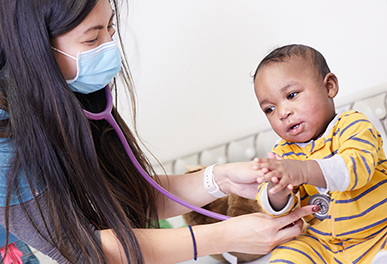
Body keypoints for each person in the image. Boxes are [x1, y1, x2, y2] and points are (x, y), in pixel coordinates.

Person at [0, 1, 319, 263]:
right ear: (36, 50)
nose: (110, 47)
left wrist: (219, 179)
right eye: (91, 39)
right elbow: (88, 248)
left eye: (110, 28)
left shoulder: (71, 95)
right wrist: (226, 235)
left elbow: (131, 198)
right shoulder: (5, 141)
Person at [253, 44, 387, 263]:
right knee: (290, 250)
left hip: (379, 231)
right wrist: (277, 190)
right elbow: (276, 209)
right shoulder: (283, 153)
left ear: (329, 87)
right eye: (270, 109)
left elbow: (354, 169)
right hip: (324, 244)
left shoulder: (353, 124)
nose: (283, 112)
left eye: (292, 95)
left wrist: (303, 171)